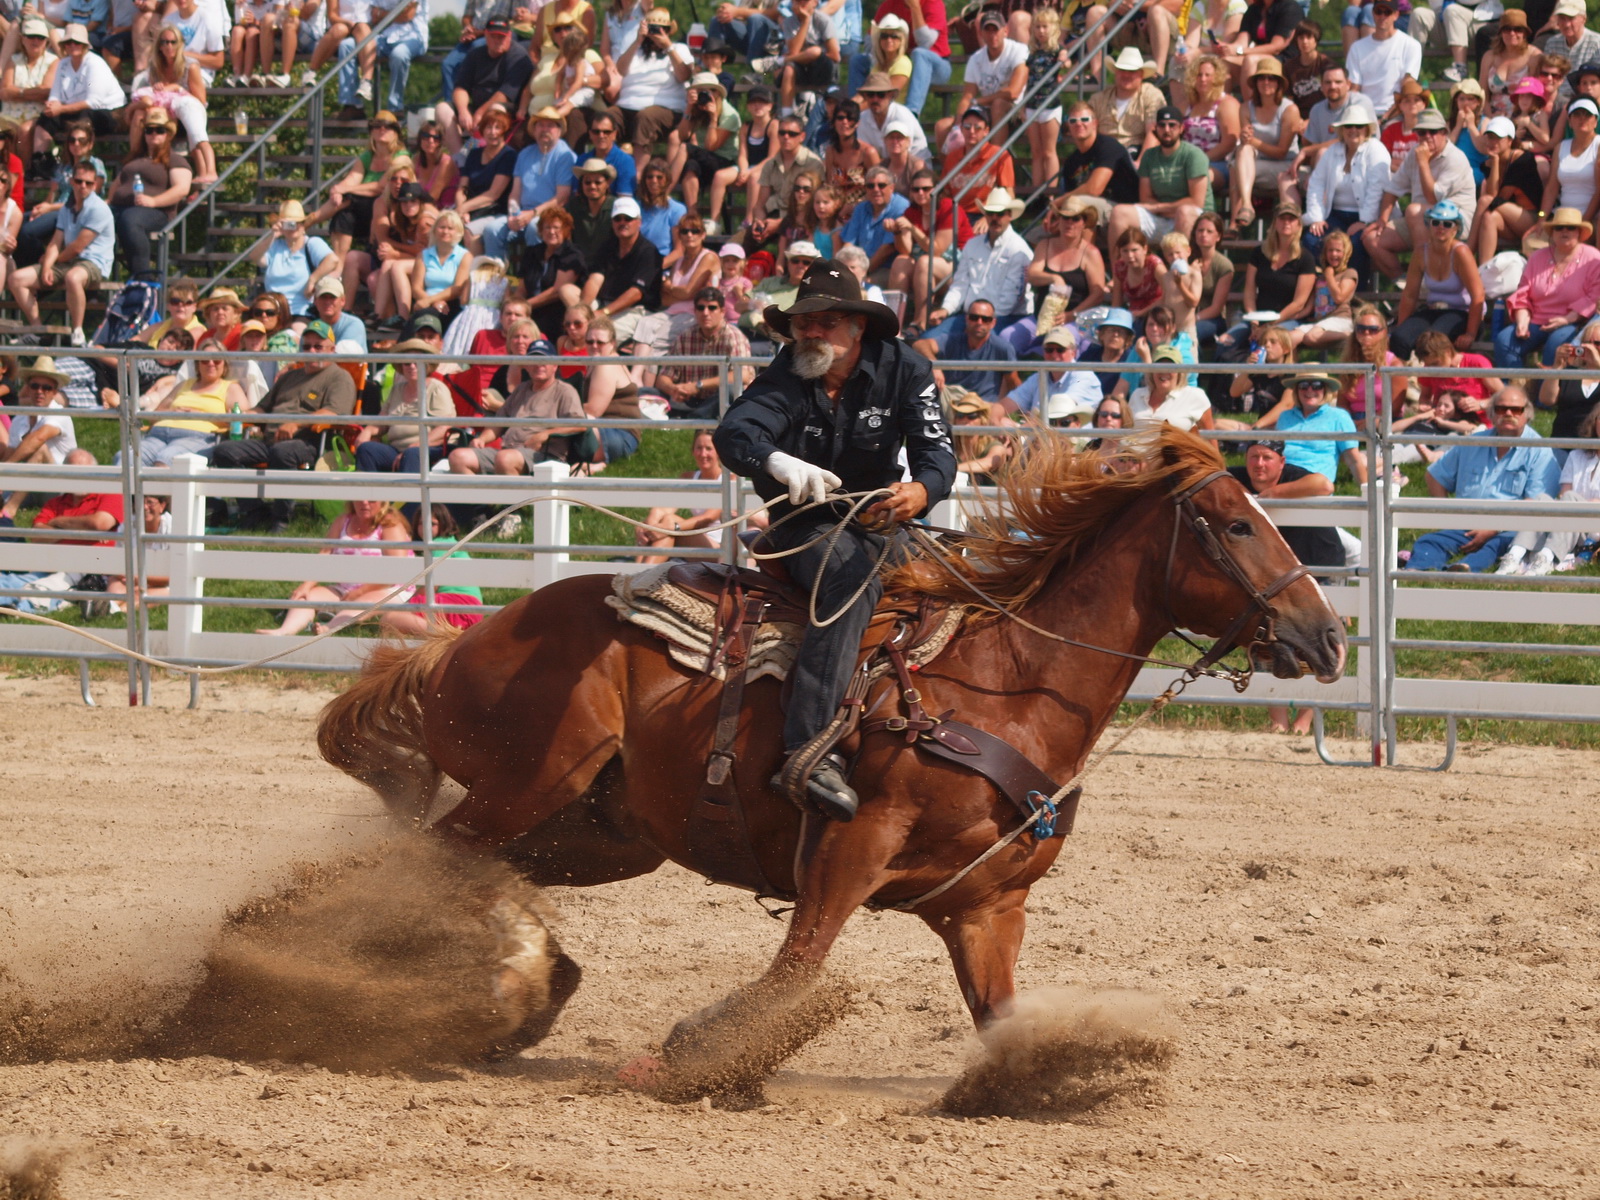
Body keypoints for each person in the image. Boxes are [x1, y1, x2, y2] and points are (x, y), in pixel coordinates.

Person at [713, 258, 954, 820]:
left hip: (882, 518)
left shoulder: (906, 370)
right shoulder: (786, 372)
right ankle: (809, 749)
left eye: (823, 321)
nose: (811, 333)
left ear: (857, 326)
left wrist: (921, 491)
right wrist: (774, 459)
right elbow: (735, 431)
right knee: (850, 581)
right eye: (803, 323)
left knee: (964, 582)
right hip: (803, 525)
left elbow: (938, 452)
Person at [1226, 438, 1341, 732]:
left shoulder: (1295, 476)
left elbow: (1324, 485)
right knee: (1263, 636)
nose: (1259, 464)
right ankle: (1277, 721)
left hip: (1317, 562)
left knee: (1318, 641)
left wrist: (1273, 494)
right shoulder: (1236, 477)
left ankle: (1304, 721)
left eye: (1266, 457)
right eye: (1253, 457)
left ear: (1281, 461)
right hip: (1273, 573)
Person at [210, 320, 358, 530]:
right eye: (306, 346)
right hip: (269, 438)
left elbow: (334, 413)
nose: (312, 351)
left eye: (319, 346)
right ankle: (254, 510)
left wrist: (296, 423)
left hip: (309, 441)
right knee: (225, 451)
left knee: (283, 452)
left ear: (332, 350)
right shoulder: (289, 376)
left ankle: (281, 518)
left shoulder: (339, 377)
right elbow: (263, 408)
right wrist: (243, 416)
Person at [1409, 387, 1562, 573]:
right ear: (1491, 413)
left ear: (1527, 415)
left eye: (1515, 409)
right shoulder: (1472, 442)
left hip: (1509, 529)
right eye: (1500, 408)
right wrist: (1448, 516)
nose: (1507, 413)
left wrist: (1494, 528)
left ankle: (1464, 568)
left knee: (1496, 546)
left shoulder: (1540, 451)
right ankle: (1417, 569)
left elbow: (1535, 503)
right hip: (1465, 524)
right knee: (1429, 541)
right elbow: (1433, 476)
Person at [255, 499, 415, 636]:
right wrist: (307, 585)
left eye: (371, 500)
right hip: (344, 588)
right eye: (360, 498)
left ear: (383, 501)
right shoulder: (343, 521)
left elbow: (396, 573)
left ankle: (327, 628)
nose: (364, 503)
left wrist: (360, 592)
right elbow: (325, 554)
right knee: (307, 597)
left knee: (363, 603)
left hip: (387, 587)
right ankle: (284, 631)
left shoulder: (390, 525)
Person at [1362, 108, 1477, 284]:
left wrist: (1423, 162)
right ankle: (1407, 283)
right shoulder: (1414, 154)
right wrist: (1382, 220)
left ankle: (1425, 277)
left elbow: (1433, 199)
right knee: (1371, 238)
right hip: (1422, 223)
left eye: (1433, 132)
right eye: (1422, 132)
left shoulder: (1455, 158)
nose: (1427, 136)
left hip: (1454, 221)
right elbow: (1392, 189)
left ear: (1444, 133)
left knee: (1414, 210)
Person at [445, 338, 587, 475]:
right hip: (509, 451)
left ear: (555, 365)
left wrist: (544, 435)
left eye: (544, 360)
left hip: (544, 455)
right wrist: (482, 439)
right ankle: (484, 500)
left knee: (504, 459)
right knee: (458, 457)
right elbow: (499, 422)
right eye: (534, 360)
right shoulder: (521, 389)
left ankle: (512, 500)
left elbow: (580, 424)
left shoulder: (565, 391)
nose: (539, 365)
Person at [7, 158, 109, 346]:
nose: (83, 186)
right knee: (16, 279)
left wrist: (52, 262)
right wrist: (46, 266)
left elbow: (77, 247)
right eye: (78, 181)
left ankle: (78, 332)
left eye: (88, 183)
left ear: (95, 185)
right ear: (72, 182)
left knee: (73, 277)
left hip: (93, 262)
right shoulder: (67, 208)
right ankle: (37, 330)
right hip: (68, 262)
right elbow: (55, 242)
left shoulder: (99, 209)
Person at [918, 185, 1030, 348]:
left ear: (1009, 216)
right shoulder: (972, 245)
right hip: (970, 317)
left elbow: (1010, 300)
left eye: (1000, 214)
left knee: (976, 346)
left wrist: (981, 320)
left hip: (1003, 318)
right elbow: (960, 285)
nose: (994, 218)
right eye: (990, 213)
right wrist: (946, 309)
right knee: (924, 343)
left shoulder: (1019, 250)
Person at [1497, 207, 1600, 368]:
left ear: (1579, 232)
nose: (1564, 231)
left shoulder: (1593, 258)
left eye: (1570, 227)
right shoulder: (1537, 257)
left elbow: (1594, 296)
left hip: (1572, 322)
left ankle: (1544, 392)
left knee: (1557, 344)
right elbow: (1523, 293)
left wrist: (1567, 319)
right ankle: (1514, 388)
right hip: (1536, 320)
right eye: (1559, 228)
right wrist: (1522, 320)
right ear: (1552, 233)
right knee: (1504, 340)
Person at [1107, 105, 1211, 251]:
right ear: (1156, 129)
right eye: (1162, 125)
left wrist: (1157, 207)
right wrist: (1163, 210)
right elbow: (1145, 198)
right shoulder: (1149, 156)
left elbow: (1196, 202)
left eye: (1172, 125)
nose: (1166, 129)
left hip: (1194, 218)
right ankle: (1118, 272)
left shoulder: (1194, 155)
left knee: (1184, 212)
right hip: (1161, 217)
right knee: (1119, 212)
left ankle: (1183, 271)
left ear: (1181, 128)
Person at [132, 336, 244, 465]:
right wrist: (173, 411)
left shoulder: (230, 388)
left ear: (224, 365)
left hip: (196, 437)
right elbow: (155, 415)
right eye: (205, 360)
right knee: (127, 459)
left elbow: (240, 420)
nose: (211, 363)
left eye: (217, 360)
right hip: (158, 434)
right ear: (197, 364)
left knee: (166, 460)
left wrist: (201, 415)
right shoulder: (184, 385)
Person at [604, 7, 692, 172]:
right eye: (652, 28)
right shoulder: (634, 49)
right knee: (606, 118)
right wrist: (638, 41)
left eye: (661, 29)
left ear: (668, 31)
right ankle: (606, 168)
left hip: (665, 108)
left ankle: (636, 174)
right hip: (628, 104)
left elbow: (684, 76)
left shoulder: (679, 49)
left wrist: (668, 46)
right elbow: (620, 70)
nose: (655, 34)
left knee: (645, 117)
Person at [1392, 200, 1484, 357]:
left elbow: (1478, 296)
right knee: (1399, 339)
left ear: (1456, 229)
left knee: (1432, 340)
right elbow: (1409, 294)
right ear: (1429, 226)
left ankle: (1429, 379)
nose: (1441, 227)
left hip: (1461, 312)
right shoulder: (1421, 253)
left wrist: (1470, 333)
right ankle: (1405, 379)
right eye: (1436, 222)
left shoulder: (1461, 253)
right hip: (1433, 310)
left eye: (1447, 224)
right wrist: (1402, 326)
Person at [352, 339, 452, 473]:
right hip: (397, 449)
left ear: (427, 365)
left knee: (412, 454)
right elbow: (382, 421)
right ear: (401, 366)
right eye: (407, 362)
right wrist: (367, 431)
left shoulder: (437, 388)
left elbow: (445, 427)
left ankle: (409, 494)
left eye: (417, 362)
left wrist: (415, 446)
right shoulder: (397, 389)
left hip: (428, 448)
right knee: (367, 449)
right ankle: (370, 493)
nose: (412, 366)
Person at [434, 18, 532, 156]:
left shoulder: (519, 56)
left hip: (506, 110)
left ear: (509, 36)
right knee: (442, 109)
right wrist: (463, 111)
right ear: (485, 35)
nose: (498, 40)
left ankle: (484, 155)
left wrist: (480, 114)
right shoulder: (475, 54)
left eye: (502, 37)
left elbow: (504, 95)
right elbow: (460, 88)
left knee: (495, 110)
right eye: (493, 36)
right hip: (478, 110)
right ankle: (459, 159)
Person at [1300, 109, 1386, 264]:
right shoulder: (1332, 151)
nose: (1353, 130)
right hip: (1336, 215)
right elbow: (1316, 183)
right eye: (1348, 126)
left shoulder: (1376, 149)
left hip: (1366, 216)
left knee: (1356, 243)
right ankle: (1326, 284)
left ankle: (1355, 287)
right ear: (1341, 130)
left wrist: (1365, 221)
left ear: (1367, 129)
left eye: (1358, 126)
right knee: (1311, 240)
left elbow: (1377, 187)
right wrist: (1316, 217)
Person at [654, 285, 754, 418]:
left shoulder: (734, 336)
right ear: (695, 311)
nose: (705, 313)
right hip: (688, 398)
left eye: (712, 308)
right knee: (645, 392)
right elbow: (662, 378)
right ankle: (692, 417)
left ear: (722, 311)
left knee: (731, 391)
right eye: (701, 308)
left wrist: (698, 385)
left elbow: (742, 375)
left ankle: (693, 419)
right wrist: (673, 389)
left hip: (719, 399)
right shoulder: (685, 337)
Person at [932, 9, 1024, 153]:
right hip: (985, 111)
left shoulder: (1018, 50)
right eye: (988, 30)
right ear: (981, 33)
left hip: (1017, 111)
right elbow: (967, 96)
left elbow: (1013, 93)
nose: (992, 34)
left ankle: (994, 164)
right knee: (942, 127)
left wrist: (981, 101)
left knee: (998, 105)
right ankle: (952, 173)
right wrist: (958, 124)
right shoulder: (976, 59)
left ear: (1006, 31)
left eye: (996, 30)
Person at [1259, 370, 1367, 487]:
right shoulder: (1285, 416)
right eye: (1303, 386)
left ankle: (1269, 495)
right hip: (1281, 475)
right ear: (1296, 391)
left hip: (1314, 481)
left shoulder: (1339, 417)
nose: (1310, 390)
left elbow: (1353, 460)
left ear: (1325, 390)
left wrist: (1368, 493)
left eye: (1317, 386)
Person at [1232, 58, 1303, 232]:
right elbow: (1247, 142)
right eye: (1261, 78)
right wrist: (1244, 138)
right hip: (1256, 165)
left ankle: (1235, 225)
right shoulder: (1245, 108)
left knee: (1237, 165)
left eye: (1271, 78)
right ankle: (1245, 208)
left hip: (1286, 166)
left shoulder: (1289, 109)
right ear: (1255, 82)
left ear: (1279, 83)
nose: (1266, 82)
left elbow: (1281, 151)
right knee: (1242, 153)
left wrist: (1253, 141)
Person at [912, 298, 1019, 405]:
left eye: (985, 319)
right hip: (952, 403)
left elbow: (1013, 382)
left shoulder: (1002, 348)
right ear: (967, 319)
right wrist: (934, 365)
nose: (979, 322)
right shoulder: (951, 341)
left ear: (993, 323)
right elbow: (919, 344)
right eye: (974, 317)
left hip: (984, 407)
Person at [1058, 102, 1140, 227]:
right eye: (1073, 120)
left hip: (1124, 210)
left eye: (1085, 119)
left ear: (1095, 123)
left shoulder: (1108, 146)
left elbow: (1094, 189)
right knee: (1037, 235)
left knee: (1083, 206)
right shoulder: (1071, 162)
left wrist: (1058, 201)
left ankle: (1086, 248)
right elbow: (1070, 199)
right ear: (1068, 127)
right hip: (1091, 211)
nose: (1079, 123)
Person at [745, 113, 821, 246]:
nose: (786, 137)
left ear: (802, 136)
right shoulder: (770, 164)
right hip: (772, 216)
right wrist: (759, 222)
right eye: (782, 133)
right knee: (738, 244)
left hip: (802, 220)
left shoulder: (813, 163)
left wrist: (780, 223)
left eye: (792, 134)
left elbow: (814, 206)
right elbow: (759, 204)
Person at [997, 326, 1101, 422]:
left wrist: (1020, 432)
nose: (1054, 355)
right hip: (1043, 437)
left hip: (1078, 440)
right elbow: (1005, 405)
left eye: (1060, 350)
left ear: (1073, 352)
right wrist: (996, 420)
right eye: (1049, 350)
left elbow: (1058, 415)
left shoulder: (1083, 376)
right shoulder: (1038, 378)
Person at [40, 24, 122, 138]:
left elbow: (93, 102)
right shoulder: (63, 63)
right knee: (45, 118)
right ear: (64, 46)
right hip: (75, 111)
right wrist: (52, 104)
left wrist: (61, 109)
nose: (72, 45)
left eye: (77, 42)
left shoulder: (94, 63)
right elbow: (55, 94)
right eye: (68, 43)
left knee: (82, 119)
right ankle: (41, 154)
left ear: (84, 45)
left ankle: (79, 154)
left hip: (108, 113)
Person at [1345, 0, 1420, 113]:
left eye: (1387, 12)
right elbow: (1354, 87)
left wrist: (1392, 113)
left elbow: (1408, 84)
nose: (1382, 16)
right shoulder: (1357, 47)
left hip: (1397, 112)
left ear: (1396, 15)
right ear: (1373, 14)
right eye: (1378, 12)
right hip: (1364, 114)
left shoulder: (1411, 45)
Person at [1086, 46, 1163, 156]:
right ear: (1115, 72)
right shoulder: (1097, 99)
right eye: (1122, 70)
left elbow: (1154, 133)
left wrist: (1140, 163)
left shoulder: (1152, 95)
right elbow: (1086, 130)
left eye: (1132, 71)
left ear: (1141, 74)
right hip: (1103, 154)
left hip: (1136, 154)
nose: (1126, 75)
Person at [1126, 346, 1212, 429]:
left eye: (1171, 367)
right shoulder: (1137, 395)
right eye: (1159, 367)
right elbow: (1126, 432)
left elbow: (1210, 439)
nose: (1164, 371)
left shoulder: (1194, 395)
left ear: (1179, 373)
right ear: (1152, 371)